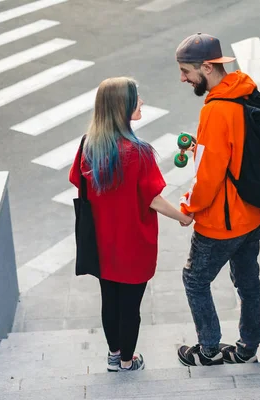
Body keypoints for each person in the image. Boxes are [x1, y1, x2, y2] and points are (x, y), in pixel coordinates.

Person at [68, 77, 193, 372]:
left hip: (101, 243)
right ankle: (127, 361)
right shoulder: (138, 152)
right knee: (130, 307)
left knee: (108, 300)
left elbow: (78, 182)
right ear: (122, 106)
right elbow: (153, 199)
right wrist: (183, 216)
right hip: (134, 243)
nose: (142, 102)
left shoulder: (88, 146)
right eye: (137, 98)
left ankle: (113, 355)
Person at [174, 33, 260, 366]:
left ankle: (210, 350)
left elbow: (209, 176)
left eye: (186, 71)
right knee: (248, 280)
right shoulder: (246, 91)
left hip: (223, 222)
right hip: (255, 211)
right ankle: (247, 349)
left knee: (194, 280)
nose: (183, 78)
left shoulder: (215, 112)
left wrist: (188, 207)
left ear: (206, 67)